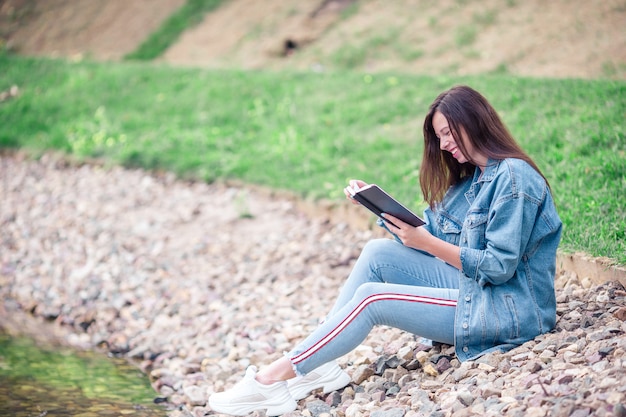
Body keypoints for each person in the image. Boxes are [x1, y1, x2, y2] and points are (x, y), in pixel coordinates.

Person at [208, 85, 562, 416]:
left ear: (473, 123)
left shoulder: (514, 178)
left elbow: (498, 267)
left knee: (372, 300)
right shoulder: (473, 179)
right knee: (378, 253)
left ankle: (271, 379)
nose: (443, 146)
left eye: (447, 134)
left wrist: (425, 242)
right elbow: (436, 237)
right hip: (476, 292)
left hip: (506, 310)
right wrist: (384, 210)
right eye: (439, 137)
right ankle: (322, 363)